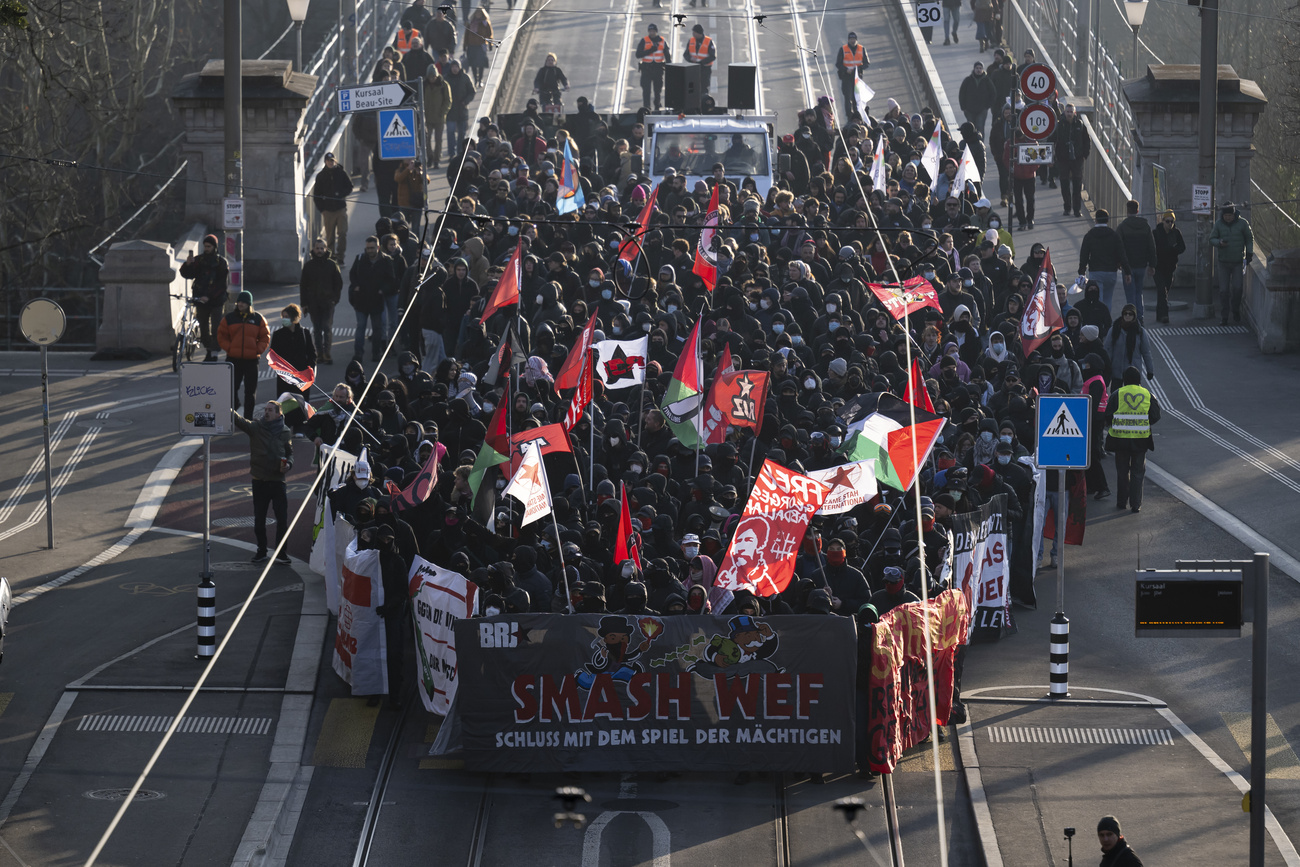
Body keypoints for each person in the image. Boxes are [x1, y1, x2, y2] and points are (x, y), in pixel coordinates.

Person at [232, 401, 294, 565]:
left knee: (282, 519)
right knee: (259, 519)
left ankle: (281, 553)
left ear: (278, 413)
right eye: (265, 410)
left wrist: (288, 464)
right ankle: (261, 551)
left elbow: (290, 453)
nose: (266, 412)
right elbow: (239, 420)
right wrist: (225, 406)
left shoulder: (285, 431)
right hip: (259, 481)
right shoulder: (256, 428)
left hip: (278, 482)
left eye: (270, 410)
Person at [1105, 366, 1159, 514]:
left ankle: (1122, 502)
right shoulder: (1148, 394)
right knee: (1138, 472)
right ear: (1139, 380)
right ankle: (1136, 504)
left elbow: (1108, 414)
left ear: (1124, 380)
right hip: (1141, 440)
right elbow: (1155, 415)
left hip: (1120, 439)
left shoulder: (1117, 394)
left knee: (1122, 471)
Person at [217, 290, 270, 420]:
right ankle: (233, 414)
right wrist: (230, 348)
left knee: (250, 392)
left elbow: (265, 337)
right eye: (239, 302)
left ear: (249, 304)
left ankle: (248, 419)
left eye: (243, 302)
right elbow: (221, 335)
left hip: (251, 360)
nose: (240, 304)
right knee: (231, 389)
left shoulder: (258, 319)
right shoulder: (229, 318)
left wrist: (257, 350)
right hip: (233, 359)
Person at [179, 233, 230, 361]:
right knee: (203, 327)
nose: (206, 249)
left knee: (216, 326)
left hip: (216, 300)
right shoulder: (199, 260)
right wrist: (188, 265)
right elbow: (187, 274)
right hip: (201, 300)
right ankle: (208, 348)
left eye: (209, 246)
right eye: (205, 246)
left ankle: (214, 353)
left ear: (214, 247)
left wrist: (209, 296)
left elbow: (222, 284)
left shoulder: (221, 263)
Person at [349, 236, 397, 363]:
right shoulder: (360, 259)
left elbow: (391, 279)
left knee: (377, 329)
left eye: (372, 248)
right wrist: (356, 286)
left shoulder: (386, 260)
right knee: (361, 327)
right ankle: (358, 354)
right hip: (361, 300)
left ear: (378, 247)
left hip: (377, 300)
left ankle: (376, 353)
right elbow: (352, 274)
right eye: (368, 248)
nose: (369, 251)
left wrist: (383, 290)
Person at [1209, 201, 1254, 326]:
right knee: (1223, 291)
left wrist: (1249, 252)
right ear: (1222, 215)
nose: (1228, 218)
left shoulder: (1243, 224)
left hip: (1238, 262)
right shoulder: (1218, 224)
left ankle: (1235, 310)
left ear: (1234, 215)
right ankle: (1224, 316)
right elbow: (1211, 239)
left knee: (1237, 288)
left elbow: (1249, 238)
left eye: (1230, 215)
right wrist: (1219, 243)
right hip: (1223, 262)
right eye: (1225, 215)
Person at [1077, 209, 1131, 310]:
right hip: (1111, 272)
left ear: (1096, 220)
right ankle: (1107, 322)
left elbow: (1084, 254)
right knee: (1108, 299)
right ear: (1107, 220)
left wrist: (1081, 272)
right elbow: (1122, 254)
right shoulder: (1114, 235)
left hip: (1095, 271)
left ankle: (1098, 322)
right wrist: (1127, 271)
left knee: (1097, 299)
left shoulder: (1090, 235)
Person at [300, 239, 342, 364]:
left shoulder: (332, 265)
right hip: (313, 303)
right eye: (317, 248)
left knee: (326, 327)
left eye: (322, 248)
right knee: (317, 329)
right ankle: (319, 354)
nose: (319, 251)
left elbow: (338, 284)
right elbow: (303, 286)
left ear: (326, 249)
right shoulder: (308, 266)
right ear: (313, 249)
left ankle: (327, 353)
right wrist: (304, 304)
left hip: (328, 303)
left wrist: (335, 299)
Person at [1115, 200, 1156, 323]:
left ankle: (1132, 317)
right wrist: (1152, 264)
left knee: (1130, 294)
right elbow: (1151, 246)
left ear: (1127, 211)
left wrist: (1119, 263)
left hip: (1128, 266)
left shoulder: (1122, 227)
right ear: (1138, 210)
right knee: (1139, 292)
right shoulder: (1145, 226)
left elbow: (1118, 247)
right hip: (1141, 265)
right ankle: (1140, 316)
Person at [270, 303, 317, 403]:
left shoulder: (305, 333)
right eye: (283, 317)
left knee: (302, 405)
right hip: (285, 378)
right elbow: (273, 356)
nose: (284, 319)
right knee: (285, 405)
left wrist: (309, 370)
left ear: (294, 318)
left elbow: (312, 353)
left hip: (301, 377)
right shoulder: (278, 335)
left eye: (287, 317)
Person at [311, 153, 352, 264]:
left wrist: (341, 194)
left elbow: (349, 186)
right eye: (329, 160)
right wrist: (322, 209)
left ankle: (341, 256)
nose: (331, 162)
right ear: (325, 162)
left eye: (332, 160)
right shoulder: (321, 176)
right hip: (328, 211)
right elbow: (317, 195)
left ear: (335, 161)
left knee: (342, 233)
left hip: (340, 209)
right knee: (330, 237)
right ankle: (331, 257)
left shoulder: (341, 173)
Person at [1054, 103, 1090, 217]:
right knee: (1064, 184)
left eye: (1071, 112)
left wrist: (1085, 155)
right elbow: (1054, 140)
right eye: (1067, 111)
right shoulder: (1060, 125)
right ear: (1064, 112)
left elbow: (1086, 140)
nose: (1069, 114)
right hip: (1063, 159)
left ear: (1074, 113)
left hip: (1077, 159)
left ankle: (1076, 209)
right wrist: (1055, 156)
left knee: (1077, 184)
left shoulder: (1080, 124)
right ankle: (1067, 207)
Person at [1151, 210, 1185, 324]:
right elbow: (1151, 249)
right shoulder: (1156, 233)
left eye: (1172, 221)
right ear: (1163, 221)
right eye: (1167, 221)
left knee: (1164, 292)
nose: (1170, 224)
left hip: (1170, 267)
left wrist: (1175, 249)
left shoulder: (1176, 233)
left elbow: (1182, 247)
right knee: (1162, 290)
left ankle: (1159, 314)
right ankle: (1164, 315)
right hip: (1158, 267)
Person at [635, 23, 670, 111]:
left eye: (653, 31)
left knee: (657, 90)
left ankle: (657, 105)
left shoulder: (662, 41)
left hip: (658, 69)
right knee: (646, 90)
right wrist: (650, 50)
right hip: (646, 69)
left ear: (656, 31)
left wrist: (669, 66)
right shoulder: (644, 40)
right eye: (650, 31)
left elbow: (667, 55)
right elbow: (638, 54)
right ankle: (647, 107)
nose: (651, 33)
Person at [958, 62, 997, 139]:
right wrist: (963, 107)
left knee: (980, 127)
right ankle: (970, 144)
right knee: (970, 128)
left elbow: (993, 93)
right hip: (969, 109)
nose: (978, 70)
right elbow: (962, 93)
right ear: (974, 69)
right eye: (977, 68)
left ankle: (980, 144)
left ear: (983, 70)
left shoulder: (987, 80)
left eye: (980, 68)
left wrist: (988, 105)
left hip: (982, 109)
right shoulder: (968, 80)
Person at [423, 66, 451, 170]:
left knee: (438, 140)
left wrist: (442, 112)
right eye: (430, 77)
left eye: (434, 77)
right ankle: (430, 157)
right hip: (427, 117)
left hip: (439, 117)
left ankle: (436, 160)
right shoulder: (424, 85)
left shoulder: (444, 85)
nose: (432, 79)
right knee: (426, 139)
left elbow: (448, 101)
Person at [835, 33, 868, 112]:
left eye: (854, 39)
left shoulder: (861, 49)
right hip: (846, 76)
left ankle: (856, 113)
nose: (852, 41)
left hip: (857, 77)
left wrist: (858, 69)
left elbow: (866, 63)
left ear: (856, 40)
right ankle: (849, 115)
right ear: (848, 40)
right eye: (851, 39)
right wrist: (846, 69)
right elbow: (838, 64)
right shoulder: (843, 49)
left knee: (856, 97)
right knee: (847, 97)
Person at [464, 6, 492, 88]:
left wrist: (490, 44)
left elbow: (489, 34)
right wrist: (464, 45)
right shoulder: (470, 23)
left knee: (481, 64)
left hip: (481, 46)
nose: (478, 15)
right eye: (477, 13)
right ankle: (475, 80)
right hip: (471, 46)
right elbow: (466, 35)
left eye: (480, 13)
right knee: (473, 64)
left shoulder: (485, 23)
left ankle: (480, 80)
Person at [686, 25, 716, 94]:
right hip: (693, 68)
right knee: (692, 88)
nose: (693, 34)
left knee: (704, 88)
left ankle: (703, 102)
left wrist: (702, 62)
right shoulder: (691, 40)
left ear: (699, 33)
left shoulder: (708, 41)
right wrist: (690, 59)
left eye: (694, 32)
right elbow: (686, 54)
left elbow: (713, 56)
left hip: (705, 69)